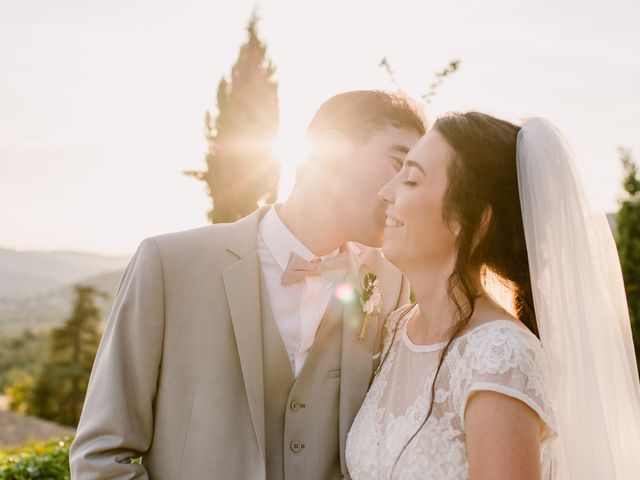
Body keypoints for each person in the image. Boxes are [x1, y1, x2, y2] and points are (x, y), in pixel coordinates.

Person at [69, 90, 426, 479]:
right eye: (398, 164)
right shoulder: (170, 265)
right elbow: (100, 456)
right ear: (331, 151)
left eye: (415, 178)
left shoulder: (389, 279)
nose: (405, 192)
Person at [346, 112, 640, 479]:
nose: (386, 192)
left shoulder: (500, 356)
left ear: (472, 222)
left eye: (410, 180)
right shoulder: (394, 330)